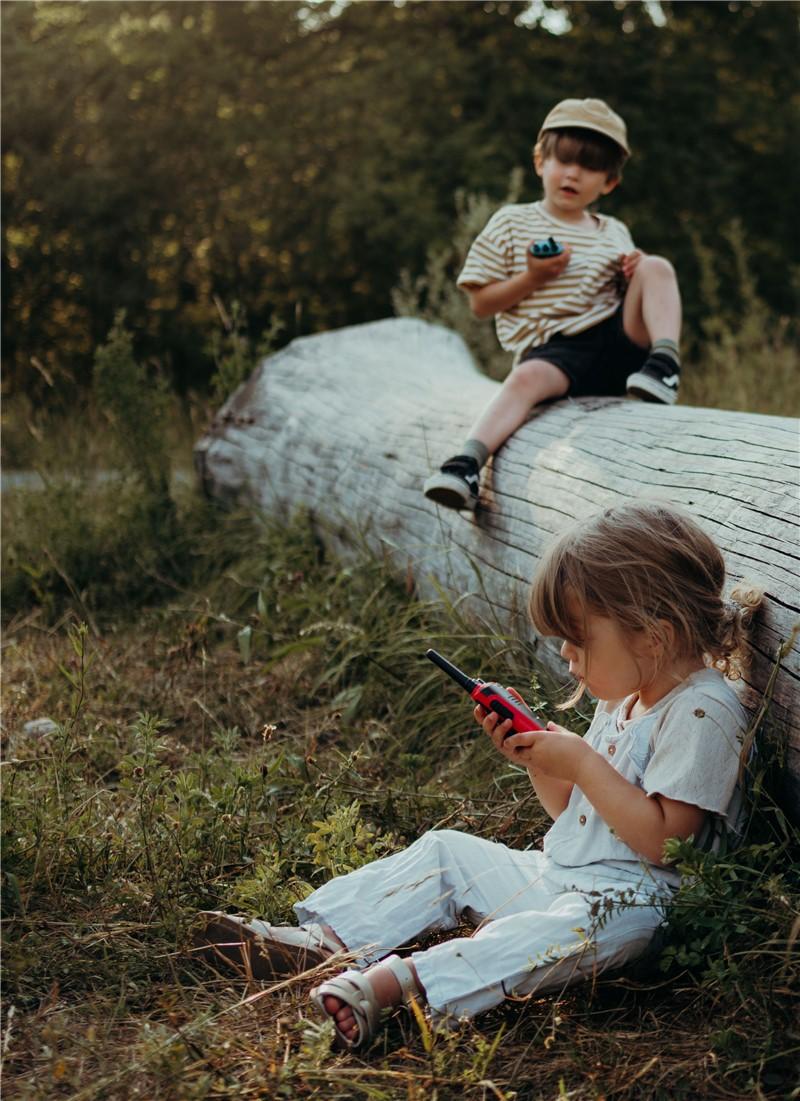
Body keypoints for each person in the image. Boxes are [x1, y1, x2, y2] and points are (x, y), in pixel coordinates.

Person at [192, 502, 761, 1051]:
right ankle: (324, 944)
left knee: (580, 929)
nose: (566, 655)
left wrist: (584, 764)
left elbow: (669, 844)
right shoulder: (626, 698)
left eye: (579, 639)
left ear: (653, 635)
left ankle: (404, 985)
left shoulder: (701, 711)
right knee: (448, 852)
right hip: (564, 876)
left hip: (638, 907)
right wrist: (540, 761)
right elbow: (574, 817)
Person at [423, 98, 683, 512]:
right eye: (563, 160)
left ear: (609, 183)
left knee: (656, 266)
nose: (573, 173)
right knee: (524, 379)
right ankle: (467, 464)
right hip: (556, 352)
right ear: (540, 162)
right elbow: (480, 304)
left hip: (618, 342)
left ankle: (664, 365)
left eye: (590, 166)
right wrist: (532, 277)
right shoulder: (512, 222)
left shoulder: (614, 231)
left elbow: (631, 292)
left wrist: (633, 270)